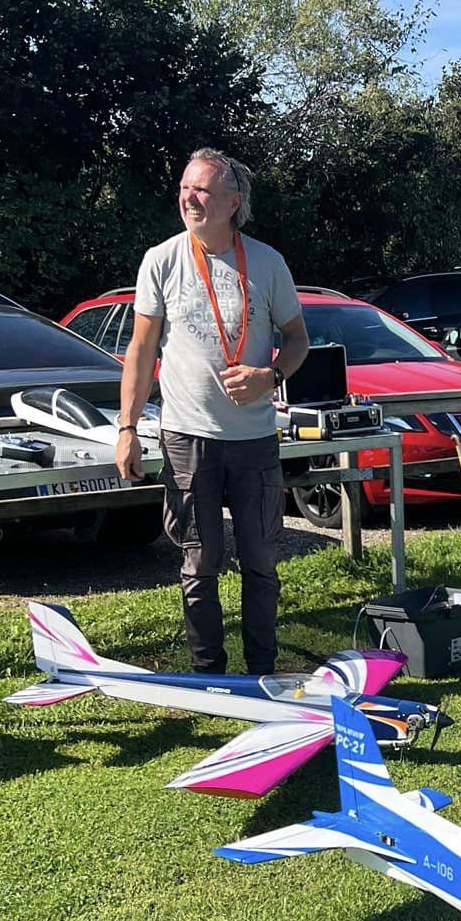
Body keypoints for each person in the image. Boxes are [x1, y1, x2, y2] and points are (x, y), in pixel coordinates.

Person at [114, 149, 309, 675]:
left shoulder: (267, 262)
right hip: (187, 436)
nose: (188, 198)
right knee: (199, 562)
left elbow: (298, 340)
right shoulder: (162, 259)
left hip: (254, 439)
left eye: (201, 189)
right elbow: (141, 351)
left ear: (233, 202)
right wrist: (127, 427)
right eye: (184, 188)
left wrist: (270, 376)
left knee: (260, 560)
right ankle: (208, 674)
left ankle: (262, 672)